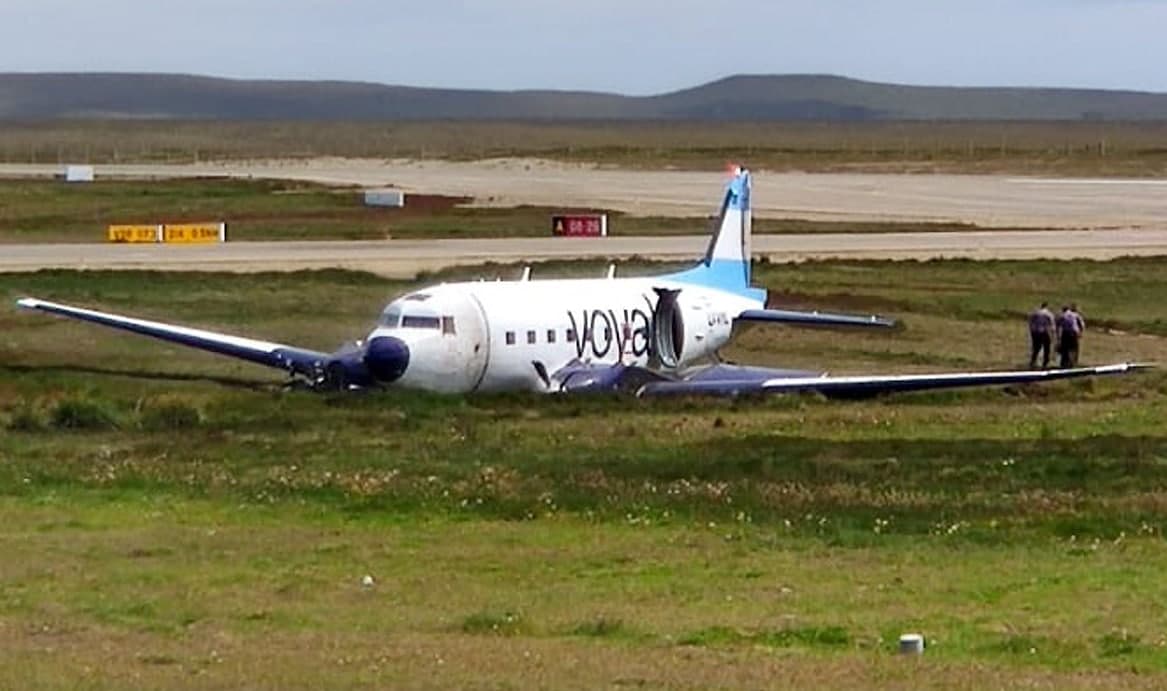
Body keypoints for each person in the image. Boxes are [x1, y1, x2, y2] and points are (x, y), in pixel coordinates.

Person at [1027, 302, 1056, 368]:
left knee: (1036, 347)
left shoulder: (1036, 313)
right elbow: (1052, 324)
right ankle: (1045, 362)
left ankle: (1033, 361)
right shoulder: (1049, 314)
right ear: (1047, 306)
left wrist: (1032, 330)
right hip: (1044, 332)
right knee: (1046, 347)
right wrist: (1053, 333)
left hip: (1036, 332)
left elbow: (1030, 321)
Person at [1057, 304, 1085, 368]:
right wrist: (1080, 333)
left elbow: (1058, 325)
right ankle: (1073, 362)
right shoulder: (1076, 315)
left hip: (1065, 333)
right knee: (1075, 348)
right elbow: (1082, 324)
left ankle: (1064, 363)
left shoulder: (1062, 315)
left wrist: (1058, 336)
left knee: (1065, 348)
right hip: (1074, 333)